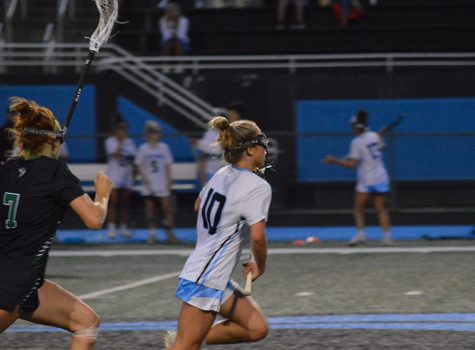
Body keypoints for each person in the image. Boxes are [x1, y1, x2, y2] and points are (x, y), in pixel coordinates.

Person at [0, 97, 112, 349]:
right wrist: (103, 194)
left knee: (86, 321)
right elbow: (95, 220)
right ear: (52, 139)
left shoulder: (7, 168)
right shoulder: (55, 172)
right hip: (12, 284)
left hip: (27, 283)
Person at [164, 116, 272, 350]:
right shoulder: (258, 186)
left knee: (256, 328)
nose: (266, 146)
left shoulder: (223, 173)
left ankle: (184, 339)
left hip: (212, 274)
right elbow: (257, 237)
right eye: (262, 141)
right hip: (207, 277)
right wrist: (260, 265)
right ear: (251, 149)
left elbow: (198, 205)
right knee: (186, 347)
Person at [322, 110, 392, 246]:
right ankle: (387, 237)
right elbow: (382, 148)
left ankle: (361, 235)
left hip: (366, 179)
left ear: (355, 127)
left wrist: (334, 160)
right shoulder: (374, 135)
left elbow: (351, 164)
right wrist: (381, 137)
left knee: (358, 208)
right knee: (380, 208)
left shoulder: (357, 142)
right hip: (381, 177)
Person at [135, 120, 178, 244]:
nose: (156, 134)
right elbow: (139, 166)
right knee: (150, 210)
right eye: (153, 132)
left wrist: (168, 182)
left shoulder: (164, 147)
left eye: (157, 132)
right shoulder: (143, 149)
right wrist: (145, 180)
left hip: (161, 183)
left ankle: (170, 233)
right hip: (149, 184)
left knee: (167, 210)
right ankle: (152, 234)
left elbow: (167, 166)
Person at [104, 116, 137, 239]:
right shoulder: (110, 141)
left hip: (126, 175)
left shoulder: (130, 142)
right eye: (121, 129)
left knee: (125, 202)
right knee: (113, 202)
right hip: (114, 175)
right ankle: (111, 227)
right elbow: (115, 154)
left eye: (125, 129)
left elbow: (133, 156)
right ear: (116, 130)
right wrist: (121, 143)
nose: (123, 132)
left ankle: (123, 227)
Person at [196, 102, 243, 186]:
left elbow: (219, 149)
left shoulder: (231, 132)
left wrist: (200, 144)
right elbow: (202, 156)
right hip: (210, 173)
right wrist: (203, 176)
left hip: (227, 173)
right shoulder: (209, 134)